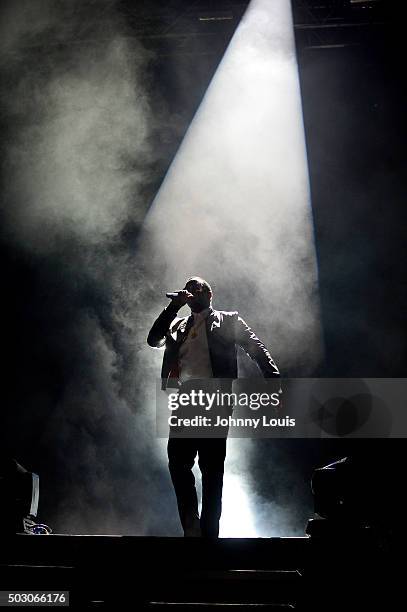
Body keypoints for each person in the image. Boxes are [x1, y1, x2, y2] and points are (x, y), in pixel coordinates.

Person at [147, 276, 280, 538]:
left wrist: (273, 380)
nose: (192, 291)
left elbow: (256, 347)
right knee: (178, 463)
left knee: (211, 469)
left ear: (210, 294)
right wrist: (174, 307)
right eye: (189, 288)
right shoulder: (178, 325)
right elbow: (153, 339)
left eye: (198, 287)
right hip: (185, 399)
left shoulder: (228, 320)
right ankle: (191, 526)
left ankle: (209, 535)